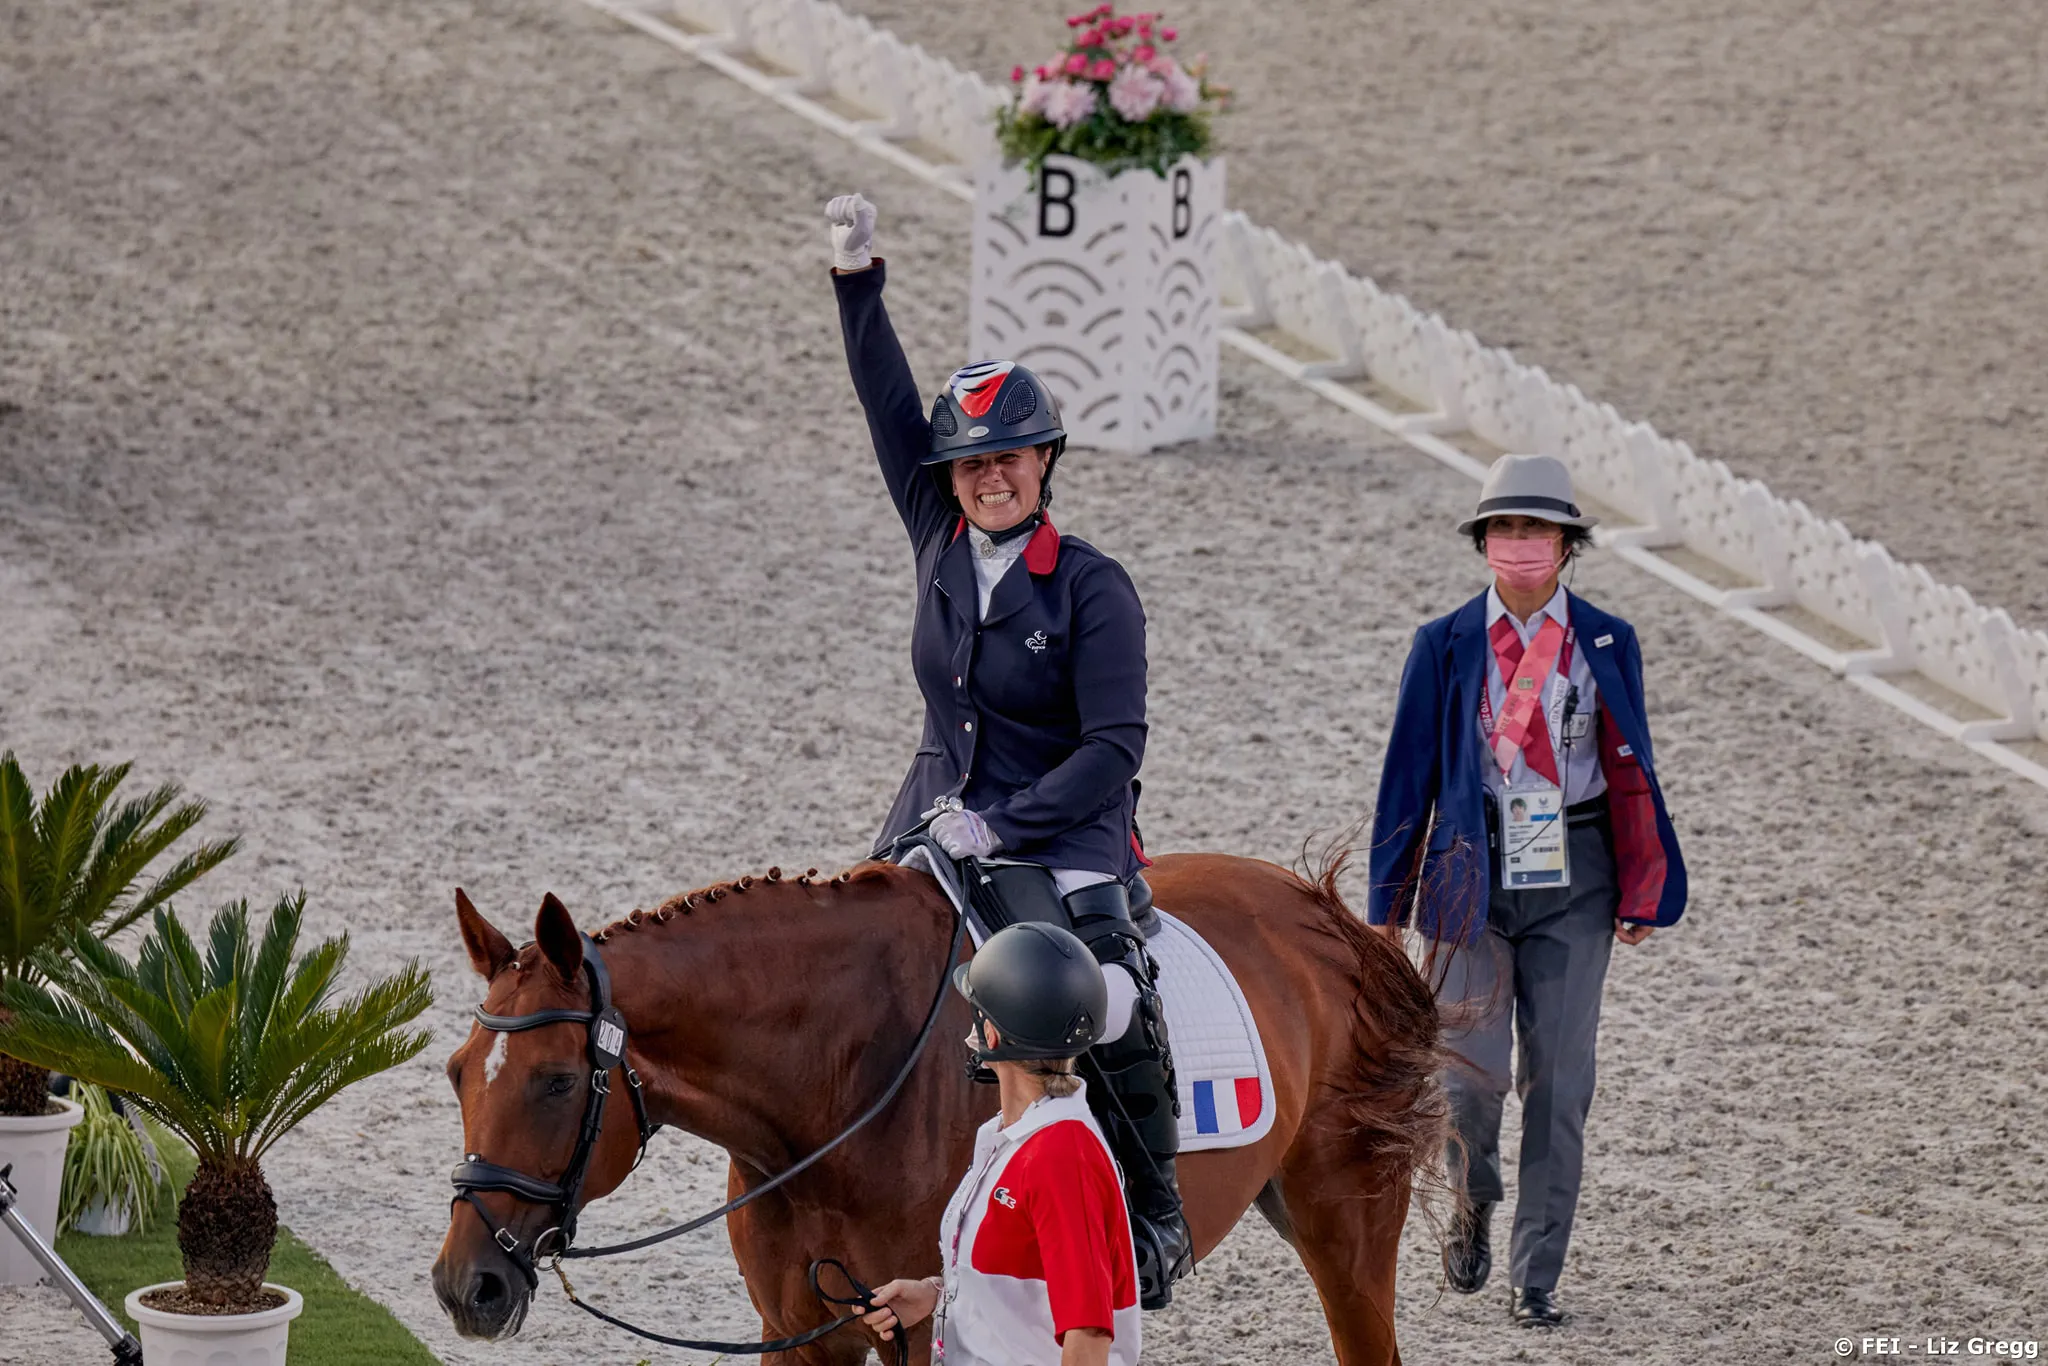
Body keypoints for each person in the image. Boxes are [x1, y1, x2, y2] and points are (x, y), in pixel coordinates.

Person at [825, 192, 1188, 1306]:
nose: (991, 476)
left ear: (1043, 463)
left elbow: (1113, 747)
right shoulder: (934, 533)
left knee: (1102, 990)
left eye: (1011, 459)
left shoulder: (1090, 586)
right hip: (932, 810)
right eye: (973, 464)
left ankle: (1154, 1208)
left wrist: (1007, 824)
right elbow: (888, 402)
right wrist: (857, 282)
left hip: (1063, 827)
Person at [1366, 453, 1687, 1327]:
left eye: (1536, 530)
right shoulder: (1443, 644)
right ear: (1483, 542)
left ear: (1566, 544)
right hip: (1470, 871)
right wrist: (1385, 909)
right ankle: (1474, 1197)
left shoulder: (1611, 639)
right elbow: (1408, 779)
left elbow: (1635, 773)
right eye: (1504, 529)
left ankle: (1535, 1272)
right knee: (1467, 1074)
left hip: (1578, 874)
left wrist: (1644, 886)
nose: (1519, 544)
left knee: (1561, 1079)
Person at [861, 922, 1142, 1366]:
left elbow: (1087, 1340)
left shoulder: (1060, 1155)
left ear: (991, 1036)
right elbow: (1028, 1280)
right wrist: (935, 1295)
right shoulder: (1011, 1135)